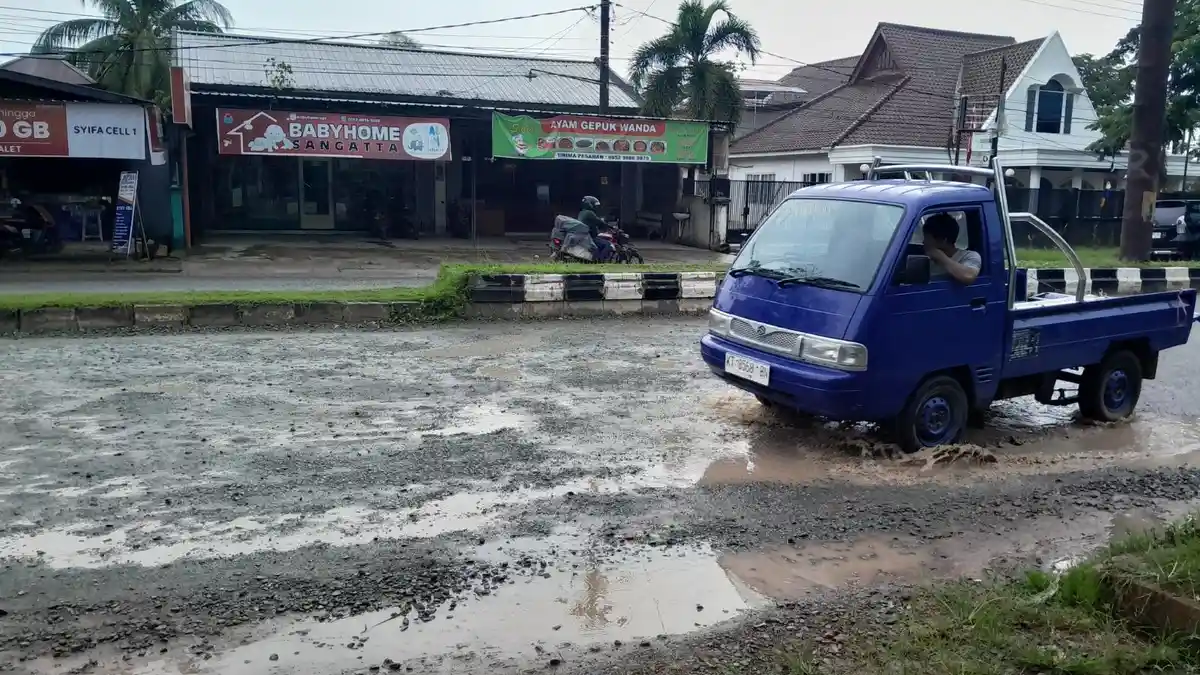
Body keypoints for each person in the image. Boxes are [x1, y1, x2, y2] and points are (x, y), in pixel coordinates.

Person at [922, 212, 981, 284]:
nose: (923, 242)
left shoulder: (969, 256)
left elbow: (968, 276)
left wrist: (940, 257)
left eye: (927, 238)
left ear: (943, 240)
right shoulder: (926, 259)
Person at [578, 195, 611, 262]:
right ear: (590, 204)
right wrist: (608, 225)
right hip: (590, 236)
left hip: (585, 235)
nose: (596, 207)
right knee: (607, 244)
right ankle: (600, 261)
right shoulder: (590, 213)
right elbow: (599, 221)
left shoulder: (582, 212)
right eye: (594, 205)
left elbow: (594, 223)